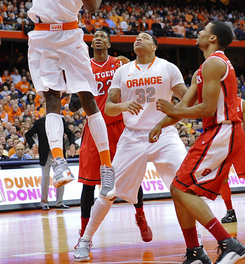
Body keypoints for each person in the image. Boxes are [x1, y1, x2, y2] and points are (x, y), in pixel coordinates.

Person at [27, 0, 115, 196]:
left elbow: (92, 6)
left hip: (70, 34)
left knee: (88, 99)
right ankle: (61, 163)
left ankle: (107, 167)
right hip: (41, 36)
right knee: (51, 99)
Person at [74, 32, 188, 261]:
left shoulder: (151, 66)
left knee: (182, 185)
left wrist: (173, 114)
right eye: (136, 37)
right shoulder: (107, 69)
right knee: (100, 188)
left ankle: (193, 240)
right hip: (118, 132)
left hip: (148, 130)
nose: (138, 39)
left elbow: (185, 99)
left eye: (144, 37)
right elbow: (97, 106)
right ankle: (84, 239)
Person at [149, 21, 245, 264]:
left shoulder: (215, 63)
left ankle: (229, 243)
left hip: (223, 131)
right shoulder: (201, 70)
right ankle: (195, 252)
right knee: (177, 189)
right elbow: (183, 107)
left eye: (204, 30)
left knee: (181, 188)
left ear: (213, 38)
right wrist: (161, 124)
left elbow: (204, 108)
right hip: (214, 132)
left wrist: (174, 110)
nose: (199, 32)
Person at [76, 29, 152, 243]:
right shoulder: (84, 67)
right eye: (95, 37)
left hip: (120, 127)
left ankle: (140, 217)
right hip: (94, 128)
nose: (98, 39)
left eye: (102, 37)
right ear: (91, 45)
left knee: (133, 179)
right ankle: (84, 235)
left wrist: (131, 66)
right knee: (88, 184)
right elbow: (75, 102)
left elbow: (140, 79)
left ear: (109, 44)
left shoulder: (120, 65)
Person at [25, 116, 75, 210]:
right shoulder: (40, 122)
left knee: (61, 176)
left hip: (58, 153)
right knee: (45, 177)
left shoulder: (60, 120)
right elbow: (28, 134)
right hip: (45, 153)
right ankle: (44, 202)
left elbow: (70, 133)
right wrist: (33, 144)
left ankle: (59, 202)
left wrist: (72, 144)